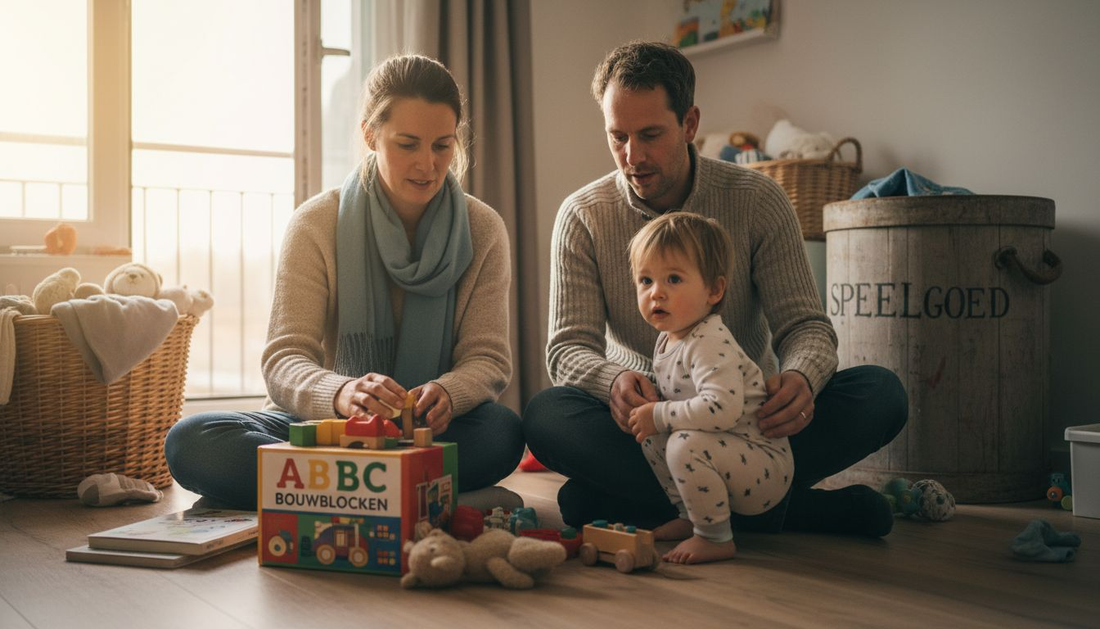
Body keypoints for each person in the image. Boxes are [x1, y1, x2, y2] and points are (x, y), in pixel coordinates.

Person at [522, 41, 907, 537]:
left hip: (749, 420)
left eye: (650, 135)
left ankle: (661, 509)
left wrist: (800, 381)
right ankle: (785, 514)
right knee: (545, 416)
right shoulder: (583, 216)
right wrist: (613, 380)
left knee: (882, 393)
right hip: (650, 426)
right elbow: (568, 349)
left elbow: (806, 327)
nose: (631, 157)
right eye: (617, 137)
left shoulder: (758, 200)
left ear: (689, 124)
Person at [166, 54, 524, 510]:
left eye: (442, 146)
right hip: (326, 428)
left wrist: (450, 393)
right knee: (191, 440)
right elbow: (284, 358)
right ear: (370, 135)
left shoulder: (483, 228)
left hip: (426, 431)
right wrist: (341, 393)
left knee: (502, 433)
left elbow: (487, 357)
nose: (428, 165)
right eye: (408, 144)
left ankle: (319, 490)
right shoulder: (315, 223)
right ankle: (397, 490)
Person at [627, 212, 793, 564]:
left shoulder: (708, 340)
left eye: (673, 279)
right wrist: (653, 417)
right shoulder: (667, 339)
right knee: (652, 434)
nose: (656, 292)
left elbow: (722, 409)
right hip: (721, 450)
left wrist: (659, 413)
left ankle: (714, 536)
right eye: (645, 280)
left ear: (714, 290)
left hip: (761, 462)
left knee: (679, 439)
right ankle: (691, 514)